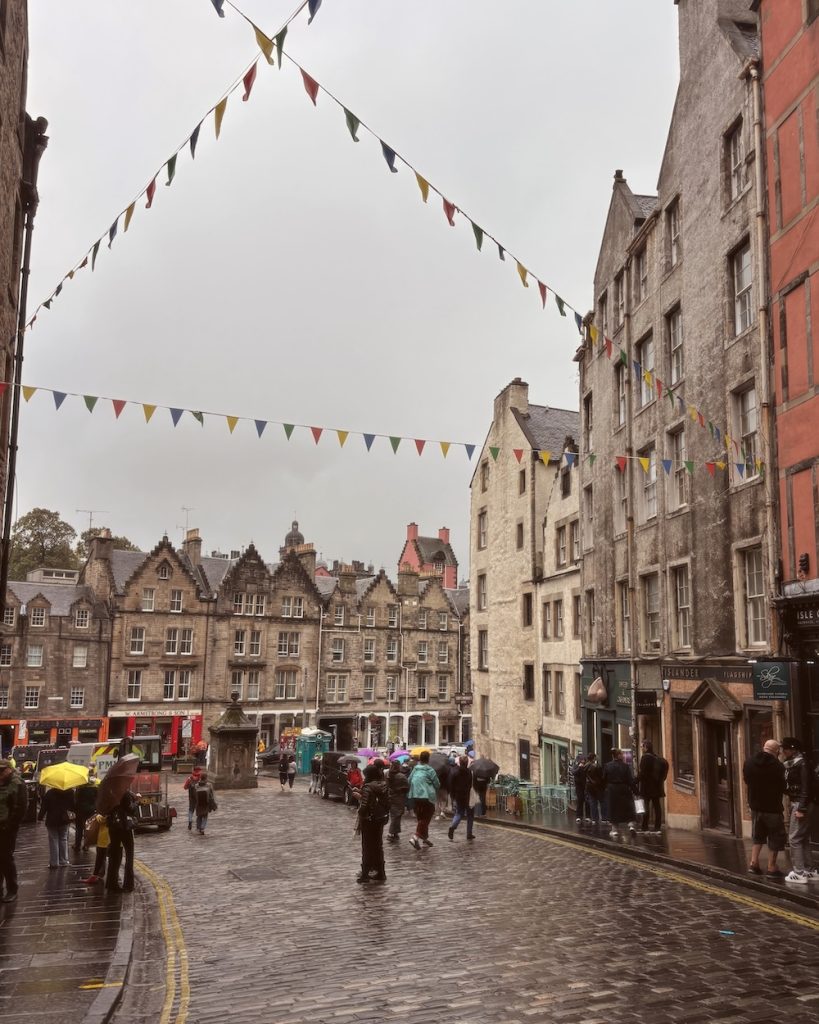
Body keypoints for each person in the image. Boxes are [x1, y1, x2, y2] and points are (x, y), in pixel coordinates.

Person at [743, 738, 786, 877]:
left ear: (764, 747)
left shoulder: (749, 762)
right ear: (777, 751)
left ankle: (753, 864)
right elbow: (783, 786)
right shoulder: (778, 766)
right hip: (773, 808)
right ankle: (771, 867)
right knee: (775, 837)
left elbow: (746, 780)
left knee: (758, 836)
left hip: (755, 807)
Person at [781, 737, 817, 884]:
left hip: (801, 804)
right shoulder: (796, 763)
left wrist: (801, 807)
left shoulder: (802, 764)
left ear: (793, 749)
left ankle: (799, 872)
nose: (783, 752)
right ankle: (809, 870)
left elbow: (805, 787)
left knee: (794, 838)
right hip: (803, 803)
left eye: (785, 749)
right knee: (803, 838)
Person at [355, 763, 390, 883]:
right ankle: (381, 872)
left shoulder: (368, 787)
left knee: (367, 847)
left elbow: (364, 806)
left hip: (369, 820)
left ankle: (365, 874)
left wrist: (360, 811)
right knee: (378, 846)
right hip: (380, 818)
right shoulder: (383, 785)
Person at [0, 758, 27, 903]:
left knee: (5, 858)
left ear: (9, 769)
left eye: (2, 770)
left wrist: (10, 826)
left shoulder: (17, 783)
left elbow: (21, 807)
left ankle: (12, 889)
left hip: (7, 828)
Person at [106, 789, 138, 892]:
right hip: (124, 827)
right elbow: (131, 809)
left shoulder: (108, 792)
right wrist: (136, 801)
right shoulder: (125, 792)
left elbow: (105, 810)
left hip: (113, 827)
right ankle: (128, 885)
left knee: (114, 855)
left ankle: (111, 884)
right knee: (129, 855)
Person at [407, 750, 440, 849]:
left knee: (421, 818)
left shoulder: (415, 769)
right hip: (426, 796)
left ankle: (425, 839)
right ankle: (415, 837)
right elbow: (437, 784)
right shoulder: (430, 770)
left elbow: (409, 780)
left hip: (415, 796)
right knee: (427, 817)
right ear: (428, 759)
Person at [38, 784, 75, 868]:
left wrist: (40, 817)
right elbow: (73, 806)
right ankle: (63, 861)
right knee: (63, 839)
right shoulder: (70, 792)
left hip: (52, 820)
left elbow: (44, 807)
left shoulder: (50, 793)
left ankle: (54, 863)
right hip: (64, 819)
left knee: (53, 840)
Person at [602, 749, 636, 838]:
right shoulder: (625, 766)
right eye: (622, 754)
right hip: (624, 788)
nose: (623, 755)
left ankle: (615, 830)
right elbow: (630, 780)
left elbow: (604, 779)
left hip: (612, 790)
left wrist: (604, 789)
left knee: (614, 809)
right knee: (627, 807)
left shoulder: (607, 766)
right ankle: (631, 825)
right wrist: (636, 791)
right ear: (619, 756)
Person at [637, 740, 668, 834]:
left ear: (646, 747)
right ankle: (657, 827)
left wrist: (634, 781)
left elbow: (642, 773)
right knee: (657, 806)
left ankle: (645, 826)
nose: (641, 748)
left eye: (642, 747)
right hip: (656, 786)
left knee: (645, 806)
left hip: (646, 787)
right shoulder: (656, 757)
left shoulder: (645, 758)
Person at [448, 755, 475, 841]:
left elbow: (451, 785)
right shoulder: (469, 772)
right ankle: (469, 833)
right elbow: (470, 784)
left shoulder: (455, 772)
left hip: (458, 796)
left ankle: (453, 826)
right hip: (467, 796)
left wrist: (452, 796)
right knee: (470, 815)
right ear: (467, 763)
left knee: (459, 813)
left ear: (459, 762)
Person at [82, 813, 110, 886]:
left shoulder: (109, 807)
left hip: (105, 837)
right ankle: (99, 874)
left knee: (100, 857)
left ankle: (95, 875)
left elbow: (103, 819)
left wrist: (97, 816)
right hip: (105, 837)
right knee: (102, 857)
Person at [74, 771, 99, 852]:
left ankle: (77, 845)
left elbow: (76, 800)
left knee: (79, 828)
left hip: (80, 811)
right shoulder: (95, 788)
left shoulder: (80, 788)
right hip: (91, 811)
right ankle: (86, 845)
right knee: (88, 828)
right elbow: (97, 799)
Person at [386, 760, 409, 842]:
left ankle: (395, 833)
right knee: (397, 816)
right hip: (399, 798)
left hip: (390, 797)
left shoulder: (387, 774)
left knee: (394, 815)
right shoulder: (401, 776)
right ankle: (391, 833)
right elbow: (407, 787)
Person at [584, 753, 605, 826]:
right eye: (596, 757)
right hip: (598, 786)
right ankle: (604, 818)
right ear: (594, 758)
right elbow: (601, 777)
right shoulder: (597, 766)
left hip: (589, 786)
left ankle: (594, 819)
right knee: (602, 802)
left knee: (593, 803)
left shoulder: (585, 766)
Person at [183, 765, 203, 830]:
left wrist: (189, 786)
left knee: (191, 810)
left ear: (193, 771)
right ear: (199, 771)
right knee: (199, 810)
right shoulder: (201, 778)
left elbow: (185, 787)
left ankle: (190, 821)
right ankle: (199, 825)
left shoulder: (190, 778)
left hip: (191, 797)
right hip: (200, 797)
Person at [572, 753, 588, 824]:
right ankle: (579, 816)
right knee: (580, 800)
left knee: (587, 801)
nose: (583, 761)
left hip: (586, 785)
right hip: (579, 786)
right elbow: (574, 773)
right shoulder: (576, 766)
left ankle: (588, 816)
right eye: (581, 760)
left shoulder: (586, 766)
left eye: (584, 760)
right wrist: (579, 768)